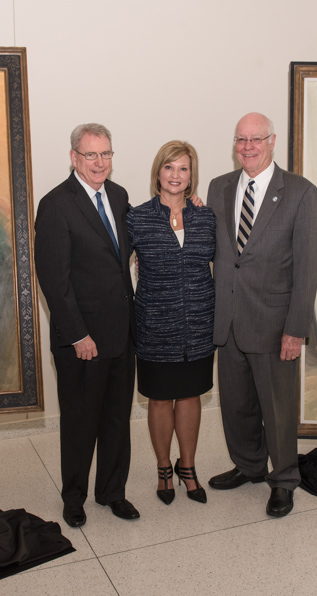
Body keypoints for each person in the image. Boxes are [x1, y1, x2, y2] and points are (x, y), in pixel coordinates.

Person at [207, 112, 317, 518]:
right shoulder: (219, 187)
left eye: (256, 139)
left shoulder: (300, 192)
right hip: (229, 321)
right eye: (241, 139)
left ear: (273, 141)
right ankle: (249, 465)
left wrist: (296, 330)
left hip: (274, 325)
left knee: (277, 408)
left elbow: (307, 269)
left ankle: (284, 479)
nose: (248, 146)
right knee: (236, 405)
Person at [34, 123, 140, 528]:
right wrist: (78, 334)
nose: (100, 162)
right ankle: (73, 497)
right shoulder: (56, 204)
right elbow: (53, 281)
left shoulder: (119, 195)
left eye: (106, 154)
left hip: (120, 334)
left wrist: (188, 207)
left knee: (116, 418)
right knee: (80, 423)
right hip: (82, 340)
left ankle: (112, 491)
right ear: (74, 157)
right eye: (92, 155)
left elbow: (133, 247)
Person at [127, 141, 215, 505]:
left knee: (191, 396)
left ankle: (188, 466)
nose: (176, 175)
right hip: (154, 327)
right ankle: (164, 467)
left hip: (198, 325)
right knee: (160, 399)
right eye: (169, 167)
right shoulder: (136, 217)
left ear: (192, 175)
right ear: (158, 172)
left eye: (183, 168)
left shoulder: (206, 216)